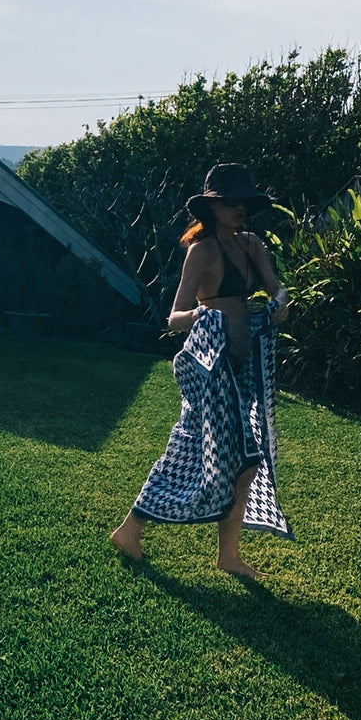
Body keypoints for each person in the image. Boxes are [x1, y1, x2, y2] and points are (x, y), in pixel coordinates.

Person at [110, 163, 293, 580]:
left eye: (244, 201)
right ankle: (136, 530)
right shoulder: (203, 251)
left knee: (230, 460)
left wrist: (281, 301)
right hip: (210, 372)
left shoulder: (251, 245)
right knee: (226, 459)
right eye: (231, 201)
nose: (240, 208)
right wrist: (202, 314)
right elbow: (173, 317)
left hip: (242, 372)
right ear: (211, 206)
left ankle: (217, 552)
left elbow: (274, 286)